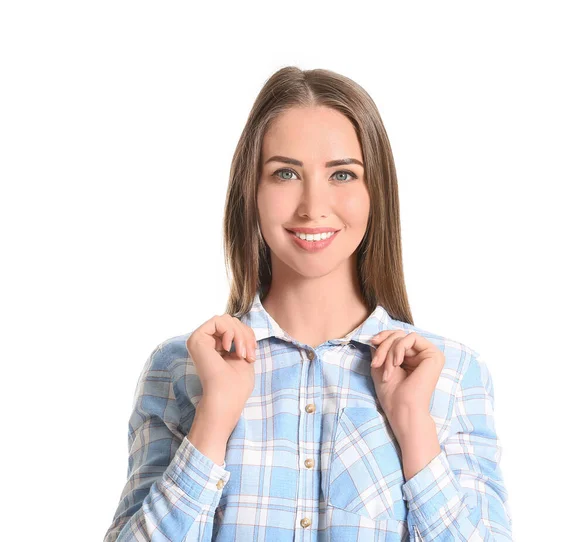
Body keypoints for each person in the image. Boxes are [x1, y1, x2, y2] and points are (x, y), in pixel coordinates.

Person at [104, 66, 513, 541]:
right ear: (251, 193)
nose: (312, 205)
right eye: (285, 173)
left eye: (342, 174)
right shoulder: (181, 367)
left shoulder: (453, 374)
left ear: (374, 192)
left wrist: (414, 429)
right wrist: (214, 418)